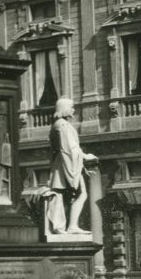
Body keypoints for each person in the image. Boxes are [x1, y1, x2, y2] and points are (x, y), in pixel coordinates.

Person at [47, 97, 91, 233]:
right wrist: (84, 157)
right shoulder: (62, 125)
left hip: (66, 164)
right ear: (64, 108)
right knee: (71, 194)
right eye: (71, 107)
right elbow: (68, 148)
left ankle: (70, 225)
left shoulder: (60, 124)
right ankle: (67, 226)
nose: (73, 109)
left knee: (74, 194)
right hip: (64, 165)